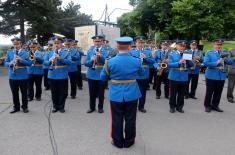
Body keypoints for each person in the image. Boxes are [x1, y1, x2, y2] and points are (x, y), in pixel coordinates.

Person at [100, 36, 144, 148]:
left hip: (116, 93)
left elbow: (103, 77)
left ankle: (117, 141)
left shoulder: (109, 61)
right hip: (132, 93)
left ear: (117, 47)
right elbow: (142, 74)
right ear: (129, 46)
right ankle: (129, 141)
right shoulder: (137, 60)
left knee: (116, 118)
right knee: (130, 118)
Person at [203, 39, 234, 112]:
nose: (219, 46)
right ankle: (207, 106)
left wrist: (226, 58)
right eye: (217, 44)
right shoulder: (209, 53)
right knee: (209, 92)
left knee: (218, 92)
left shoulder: (224, 53)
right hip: (211, 75)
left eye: (220, 45)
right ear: (213, 45)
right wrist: (217, 62)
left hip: (221, 76)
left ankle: (215, 105)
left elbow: (230, 62)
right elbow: (206, 63)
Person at [4, 37, 32, 113]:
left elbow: (30, 63)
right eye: (14, 44)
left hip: (23, 76)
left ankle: (25, 107)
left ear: (20, 44)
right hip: (12, 76)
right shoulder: (9, 52)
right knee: (14, 93)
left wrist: (21, 60)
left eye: (17, 44)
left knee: (24, 93)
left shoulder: (26, 52)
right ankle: (16, 107)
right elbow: (5, 62)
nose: (15, 46)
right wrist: (10, 63)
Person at [44, 37, 71, 113]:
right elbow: (45, 62)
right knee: (54, 92)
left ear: (61, 44)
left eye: (58, 43)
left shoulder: (66, 52)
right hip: (52, 74)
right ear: (53, 44)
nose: (56, 45)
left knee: (63, 92)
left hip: (62, 74)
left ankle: (61, 106)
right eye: (55, 43)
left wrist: (60, 58)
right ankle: (55, 106)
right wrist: (50, 60)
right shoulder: (49, 52)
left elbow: (69, 62)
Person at [129, 36, 155, 113]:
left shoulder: (147, 51)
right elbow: (130, 62)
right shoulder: (131, 51)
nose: (141, 44)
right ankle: (133, 107)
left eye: (142, 42)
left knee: (143, 92)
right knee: (133, 91)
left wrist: (146, 58)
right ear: (135, 43)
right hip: (135, 74)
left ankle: (141, 106)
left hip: (144, 74)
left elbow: (152, 61)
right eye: (139, 42)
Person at [168, 40, 193, 113]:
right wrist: (178, 62)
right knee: (173, 93)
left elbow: (191, 64)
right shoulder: (172, 54)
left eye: (183, 46)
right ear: (177, 46)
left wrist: (188, 60)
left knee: (181, 94)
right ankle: (172, 107)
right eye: (180, 46)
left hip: (184, 76)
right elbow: (169, 64)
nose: (182, 47)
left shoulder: (187, 54)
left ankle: (180, 107)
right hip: (174, 76)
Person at [85, 35, 109, 113]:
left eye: (99, 41)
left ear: (102, 41)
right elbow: (86, 63)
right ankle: (92, 107)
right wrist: (91, 60)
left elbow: (108, 62)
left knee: (101, 93)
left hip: (101, 74)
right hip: (91, 74)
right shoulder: (90, 51)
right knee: (91, 93)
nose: (97, 43)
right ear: (93, 42)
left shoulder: (106, 51)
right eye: (95, 41)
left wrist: (101, 56)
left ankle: (100, 107)